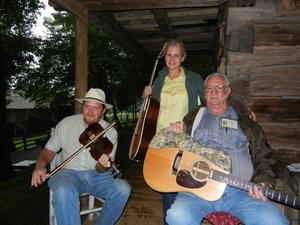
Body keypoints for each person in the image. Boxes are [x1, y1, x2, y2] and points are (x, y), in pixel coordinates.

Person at [168, 73, 289, 225]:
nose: (213, 92)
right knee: (177, 216)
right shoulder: (192, 119)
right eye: (209, 88)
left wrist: (263, 181)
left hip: (242, 192)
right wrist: (175, 134)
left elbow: (264, 155)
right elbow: (176, 152)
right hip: (197, 190)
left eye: (219, 87)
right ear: (204, 92)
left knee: (274, 221)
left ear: (227, 92)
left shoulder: (245, 121)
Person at [31, 88, 131, 225]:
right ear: (82, 106)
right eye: (87, 106)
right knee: (64, 191)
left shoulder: (110, 132)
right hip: (67, 173)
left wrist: (103, 165)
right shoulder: (66, 123)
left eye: (95, 108)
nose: (90, 111)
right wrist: (40, 165)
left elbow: (102, 169)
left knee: (124, 189)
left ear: (103, 111)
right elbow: (48, 150)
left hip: (97, 175)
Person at [142, 39, 205, 224]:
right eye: (169, 55)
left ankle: (177, 218)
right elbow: (150, 107)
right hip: (161, 138)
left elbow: (210, 102)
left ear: (183, 57)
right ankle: (171, 219)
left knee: (179, 180)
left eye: (176, 55)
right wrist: (144, 95)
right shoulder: (159, 78)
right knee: (165, 182)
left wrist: (239, 112)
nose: (172, 59)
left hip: (182, 137)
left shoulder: (193, 78)